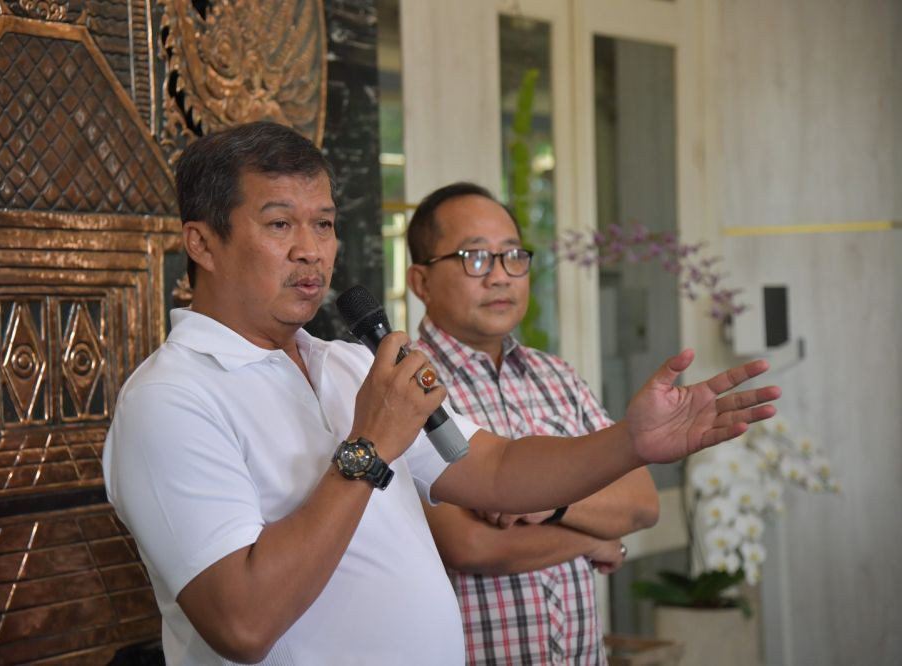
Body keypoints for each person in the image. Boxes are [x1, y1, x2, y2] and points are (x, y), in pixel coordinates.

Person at [102, 121, 780, 666]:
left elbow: (492, 469)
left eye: (326, 223)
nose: (312, 251)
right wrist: (369, 447)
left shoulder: (342, 364)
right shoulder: (171, 400)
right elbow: (241, 624)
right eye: (280, 225)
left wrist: (628, 442)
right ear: (202, 243)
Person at [407, 182, 658, 665]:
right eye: (474, 258)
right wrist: (595, 535)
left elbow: (641, 503)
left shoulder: (557, 377)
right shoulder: (405, 385)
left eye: (512, 257)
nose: (500, 277)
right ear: (421, 281)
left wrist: (554, 505)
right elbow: (470, 544)